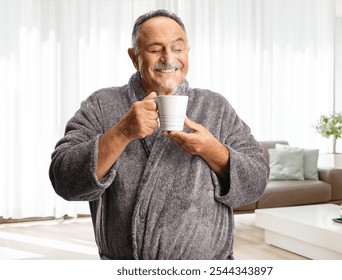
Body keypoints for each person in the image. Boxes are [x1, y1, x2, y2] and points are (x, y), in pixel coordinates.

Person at [49, 9, 269, 260]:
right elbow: (64, 179)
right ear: (134, 57)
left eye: (178, 48)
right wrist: (121, 133)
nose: (169, 58)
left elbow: (257, 180)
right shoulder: (102, 104)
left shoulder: (215, 107)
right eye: (155, 49)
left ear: (188, 51)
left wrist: (212, 150)